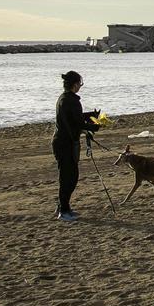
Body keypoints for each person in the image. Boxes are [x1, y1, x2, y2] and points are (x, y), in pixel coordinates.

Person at [52, 70, 99, 222]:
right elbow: (76, 123)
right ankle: (63, 211)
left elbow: (75, 118)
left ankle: (63, 207)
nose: (80, 86)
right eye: (80, 84)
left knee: (70, 176)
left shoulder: (66, 99)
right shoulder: (70, 100)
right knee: (68, 178)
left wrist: (91, 116)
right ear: (74, 85)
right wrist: (93, 127)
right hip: (64, 143)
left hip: (65, 142)